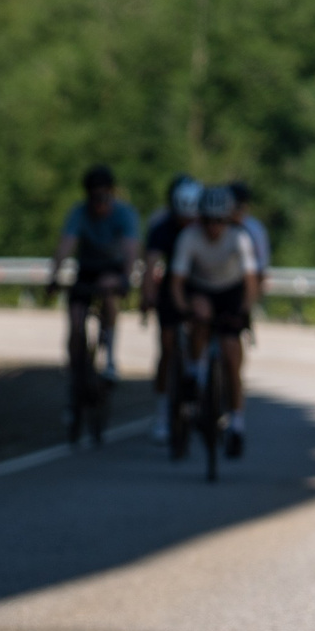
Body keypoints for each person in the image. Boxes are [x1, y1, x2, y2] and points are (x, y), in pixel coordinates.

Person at [172, 183, 262, 458]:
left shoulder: (239, 238)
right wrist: (184, 307)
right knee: (200, 317)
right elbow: (177, 282)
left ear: (227, 219)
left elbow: (250, 281)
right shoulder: (189, 238)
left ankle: (237, 424)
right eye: (208, 221)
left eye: (219, 221)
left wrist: (245, 309)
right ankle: (194, 374)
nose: (214, 227)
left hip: (230, 291)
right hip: (201, 289)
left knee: (232, 355)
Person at [52, 164, 140, 410]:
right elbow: (65, 246)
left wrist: (125, 278)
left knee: (109, 298)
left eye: (104, 197)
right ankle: (75, 374)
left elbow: (131, 250)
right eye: (94, 198)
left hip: (112, 270)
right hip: (87, 270)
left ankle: (110, 359)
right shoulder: (79, 213)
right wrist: (54, 276)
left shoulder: (124, 214)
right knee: (75, 319)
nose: (99, 203)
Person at [141, 175, 201, 441]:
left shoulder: (204, 227)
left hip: (198, 284)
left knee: (202, 328)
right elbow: (151, 265)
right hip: (169, 288)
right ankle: (163, 413)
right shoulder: (161, 226)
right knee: (166, 347)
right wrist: (147, 297)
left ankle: (199, 379)